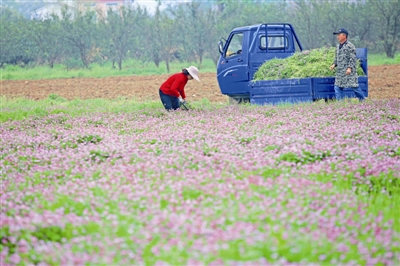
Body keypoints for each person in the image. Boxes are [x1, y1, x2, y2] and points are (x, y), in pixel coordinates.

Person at [330, 28, 365, 101]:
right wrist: (334, 64)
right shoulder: (338, 46)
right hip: (340, 71)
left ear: (344, 36)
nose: (337, 37)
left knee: (354, 87)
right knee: (337, 87)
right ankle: (340, 103)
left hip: (349, 72)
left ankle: (362, 100)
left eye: (339, 35)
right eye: (337, 35)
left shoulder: (350, 46)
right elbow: (336, 57)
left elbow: (352, 59)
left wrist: (349, 68)